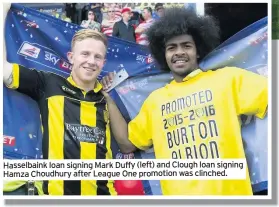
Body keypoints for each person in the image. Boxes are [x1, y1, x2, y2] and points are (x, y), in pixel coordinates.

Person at [101, 7, 268, 195]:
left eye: (186, 46)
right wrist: (108, 98)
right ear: (163, 55)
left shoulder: (229, 79)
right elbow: (127, 144)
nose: (179, 52)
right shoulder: (155, 101)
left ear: (198, 51)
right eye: (172, 47)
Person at [3, 4, 123, 196]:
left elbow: (126, 145)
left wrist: (108, 95)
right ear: (71, 57)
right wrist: (2, 10)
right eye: (85, 54)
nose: (91, 61)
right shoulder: (48, 84)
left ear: (103, 63)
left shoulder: (106, 97)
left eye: (97, 57)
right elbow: (4, 70)